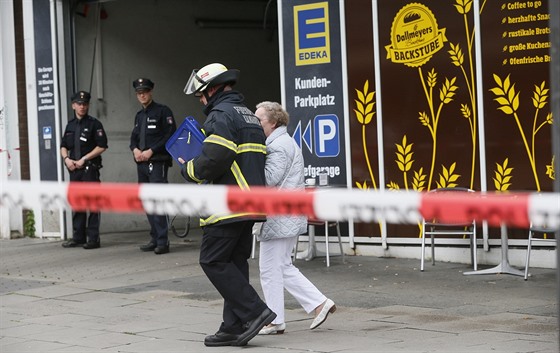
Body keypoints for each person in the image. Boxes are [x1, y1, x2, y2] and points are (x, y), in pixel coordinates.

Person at [180, 63, 276, 347]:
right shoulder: (248, 115)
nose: (200, 100)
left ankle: (256, 312)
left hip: (229, 204)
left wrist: (190, 170)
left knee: (212, 260)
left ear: (213, 89)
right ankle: (233, 327)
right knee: (234, 262)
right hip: (250, 203)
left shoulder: (221, 114)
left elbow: (217, 155)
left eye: (201, 94)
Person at [254, 101, 336, 335]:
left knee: (270, 269)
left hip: (279, 216)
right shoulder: (283, 142)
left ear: (273, 121)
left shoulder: (277, 146)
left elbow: (269, 179)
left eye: (259, 119)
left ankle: (276, 319)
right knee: (281, 266)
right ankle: (317, 304)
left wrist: (252, 160)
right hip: (286, 215)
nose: (256, 123)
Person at [129, 78, 177, 255]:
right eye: (139, 93)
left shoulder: (163, 111)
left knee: (158, 200)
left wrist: (151, 150)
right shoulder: (139, 116)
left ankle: (163, 241)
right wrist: (134, 149)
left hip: (157, 162)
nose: (142, 95)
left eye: (145, 92)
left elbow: (170, 135)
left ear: (151, 92)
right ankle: (155, 237)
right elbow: (134, 137)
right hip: (141, 163)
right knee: (147, 200)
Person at [60, 91, 108, 249]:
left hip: (89, 169)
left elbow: (102, 146)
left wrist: (84, 159)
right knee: (77, 203)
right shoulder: (70, 125)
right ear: (73, 105)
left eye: (85, 104)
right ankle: (78, 237)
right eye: (79, 104)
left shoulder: (94, 124)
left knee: (93, 203)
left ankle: (93, 239)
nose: (82, 106)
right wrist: (67, 159)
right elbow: (63, 146)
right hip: (74, 170)